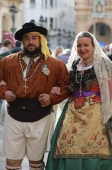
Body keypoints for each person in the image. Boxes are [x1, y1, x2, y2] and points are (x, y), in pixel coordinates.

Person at [0, 22, 70, 170]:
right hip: (14, 115)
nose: (30, 42)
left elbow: (66, 86)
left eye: (34, 38)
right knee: (12, 163)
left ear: (40, 40)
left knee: (36, 163)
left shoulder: (55, 64)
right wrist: (4, 92)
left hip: (41, 116)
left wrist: (51, 98)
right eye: (27, 38)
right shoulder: (7, 62)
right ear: (22, 41)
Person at [46, 31, 112, 170]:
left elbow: (110, 90)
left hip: (96, 113)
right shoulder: (74, 65)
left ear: (93, 46)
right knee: (66, 144)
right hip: (73, 112)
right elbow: (68, 87)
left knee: (94, 144)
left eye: (86, 45)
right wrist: (57, 90)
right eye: (79, 45)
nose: (82, 49)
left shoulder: (104, 64)